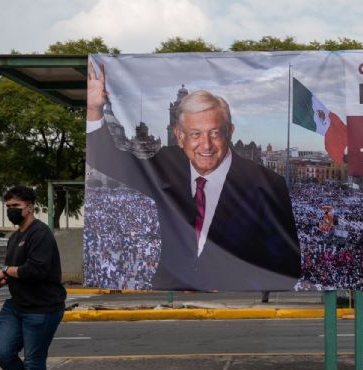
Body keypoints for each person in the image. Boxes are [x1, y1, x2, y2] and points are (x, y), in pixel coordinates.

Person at [85, 61, 301, 291]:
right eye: (195, 134)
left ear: (230, 132)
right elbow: (111, 161)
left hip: (234, 304)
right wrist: (93, 110)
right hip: (170, 297)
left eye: (215, 133)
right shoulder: (167, 164)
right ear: (179, 135)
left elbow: (288, 265)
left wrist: (236, 286)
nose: (206, 145)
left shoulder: (266, 183)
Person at [0, 185, 66, 370]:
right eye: (8, 206)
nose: (11, 210)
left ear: (30, 207)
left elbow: (35, 270)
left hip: (42, 309)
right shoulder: (14, 238)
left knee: (33, 362)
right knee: (2, 354)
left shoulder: (40, 233)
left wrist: (5, 271)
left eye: (16, 205)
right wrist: (4, 278)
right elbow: (18, 269)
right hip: (16, 307)